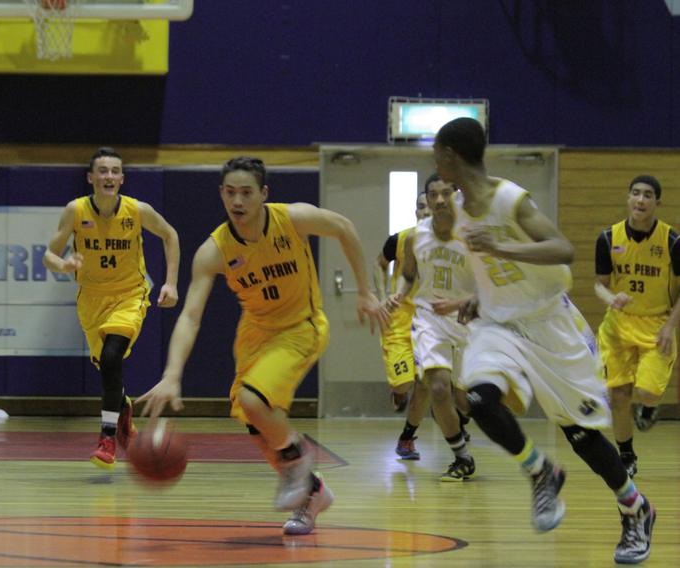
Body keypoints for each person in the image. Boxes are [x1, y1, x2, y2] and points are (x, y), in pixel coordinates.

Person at [434, 117, 655, 564]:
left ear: (450, 155)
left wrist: (500, 248)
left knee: (581, 435)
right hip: (498, 325)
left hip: (550, 324)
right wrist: (478, 296)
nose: (435, 164)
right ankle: (540, 472)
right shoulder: (457, 208)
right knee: (477, 398)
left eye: (437, 154)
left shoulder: (510, 199)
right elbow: (490, 270)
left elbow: (561, 249)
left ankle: (635, 508)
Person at [138, 156, 387, 535]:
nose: (238, 201)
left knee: (257, 403)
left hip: (301, 327)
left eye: (246, 193)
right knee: (256, 423)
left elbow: (344, 228)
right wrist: (172, 375)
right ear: (221, 194)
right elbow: (190, 316)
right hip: (254, 336)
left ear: (263, 194)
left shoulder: (292, 219)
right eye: (231, 193)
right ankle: (312, 492)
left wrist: (365, 292)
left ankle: (297, 461)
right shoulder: (214, 251)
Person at [43, 146, 181, 471]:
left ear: (122, 178)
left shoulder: (136, 210)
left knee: (111, 357)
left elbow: (170, 235)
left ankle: (107, 438)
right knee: (107, 369)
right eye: (102, 171)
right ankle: (123, 411)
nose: (109, 176)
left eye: (114, 171)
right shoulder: (75, 211)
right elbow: (49, 253)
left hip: (129, 295)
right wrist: (63, 265)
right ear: (91, 178)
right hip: (91, 300)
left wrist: (171, 282)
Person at [594, 174, 680, 478]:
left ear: (657, 202)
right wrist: (610, 298)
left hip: (657, 324)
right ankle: (627, 455)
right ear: (628, 198)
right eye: (635, 193)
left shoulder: (672, 241)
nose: (640, 200)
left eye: (647, 195)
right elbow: (599, 286)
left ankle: (648, 406)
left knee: (646, 392)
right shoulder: (608, 238)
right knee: (618, 395)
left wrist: (670, 327)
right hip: (618, 326)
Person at [392, 175, 476, 481]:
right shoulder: (416, 237)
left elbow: (489, 286)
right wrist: (399, 293)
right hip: (429, 318)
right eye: (433, 195)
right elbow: (409, 274)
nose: (439, 200)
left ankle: (464, 428)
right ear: (426, 200)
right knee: (437, 387)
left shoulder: (472, 235)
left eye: (446, 193)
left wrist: (459, 303)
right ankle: (462, 458)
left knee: (465, 399)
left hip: (466, 318)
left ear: (457, 196)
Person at [374, 192, 431, 460]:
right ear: (415, 211)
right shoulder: (400, 239)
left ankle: (407, 438)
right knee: (404, 382)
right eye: (421, 207)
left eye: (430, 207)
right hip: (399, 320)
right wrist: (382, 293)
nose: (426, 212)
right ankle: (398, 395)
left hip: (431, 322)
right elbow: (379, 264)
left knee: (427, 382)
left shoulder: (451, 243)